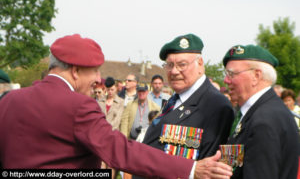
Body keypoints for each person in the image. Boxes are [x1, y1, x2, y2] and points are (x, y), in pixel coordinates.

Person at [0, 34, 233, 178]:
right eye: (95, 71)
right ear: (75, 70)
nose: (98, 79)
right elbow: (119, 151)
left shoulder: (9, 100)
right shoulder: (79, 106)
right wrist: (191, 170)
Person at [143, 34, 234, 161]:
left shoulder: (216, 105)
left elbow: (208, 164)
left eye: (182, 65)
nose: (174, 71)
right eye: (169, 65)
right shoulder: (174, 99)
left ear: (200, 64)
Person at [222, 44, 300, 179]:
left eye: (231, 74)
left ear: (256, 76)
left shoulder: (265, 120)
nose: (226, 80)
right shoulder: (257, 112)